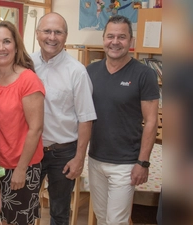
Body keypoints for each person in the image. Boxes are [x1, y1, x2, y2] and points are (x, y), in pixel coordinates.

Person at [86, 15, 159, 225]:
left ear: (131, 41)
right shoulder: (90, 72)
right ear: (103, 39)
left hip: (126, 164)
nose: (115, 42)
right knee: (101, 217)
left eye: (122, 37)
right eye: (110, 36)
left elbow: (151, 122)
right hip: (95, 159)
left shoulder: (144, 74)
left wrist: (142, 162)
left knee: (116, 221)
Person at [30, 13, 97, 225]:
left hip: (63, 152)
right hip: (31, 150)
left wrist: (79, 158)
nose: (52, 37)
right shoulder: (25, 64)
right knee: (24, 207)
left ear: (65, 36)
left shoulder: (77, 72)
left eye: (58, 32)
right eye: (47, 31)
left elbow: (86, 118)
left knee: (60, 213)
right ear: (37, 33)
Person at [0, 20, 45, 225]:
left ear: (16, 46)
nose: (1, 48)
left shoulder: (28, 80)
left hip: (21, 166)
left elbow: (36, 128)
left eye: (6, 41)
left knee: (18, 221)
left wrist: (21, 169)